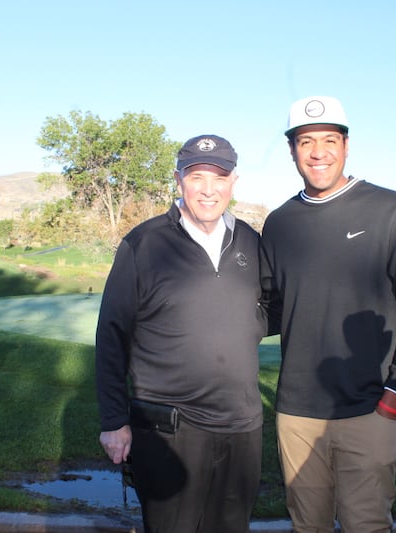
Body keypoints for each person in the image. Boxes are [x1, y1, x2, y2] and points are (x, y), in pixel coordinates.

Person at [260, 96, 396, 532]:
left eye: (328, 140)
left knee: (368, 526)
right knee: (308, 527)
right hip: (298, 413)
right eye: (305, 141)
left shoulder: (389, 210)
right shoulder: (280, 223)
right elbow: (270, 309)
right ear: (291, 150)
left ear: (346, 145)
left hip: (369, 407)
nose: (317, 152)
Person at [96, 134, 271, 533]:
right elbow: (111, 335)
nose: (209, 190)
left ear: (233, 183)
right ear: (179, 181)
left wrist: (247, 323)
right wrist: (112, 421)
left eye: (219, 178)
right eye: (197, 177)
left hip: (241, 424)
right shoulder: (144, 243)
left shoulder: (249, 241)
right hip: (169, 428)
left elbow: (272, 305)